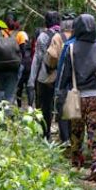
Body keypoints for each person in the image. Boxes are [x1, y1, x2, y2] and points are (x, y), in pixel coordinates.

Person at [58, 14, 96, 181]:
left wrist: (60, 95)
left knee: (76, 131)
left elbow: (64, 75)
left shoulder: (71, 48)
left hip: (77, 97)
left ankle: (76, 163)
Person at [28, 11, 61, 140]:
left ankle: (45, 135)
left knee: (45, 107)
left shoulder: (43, 36)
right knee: (60, 105)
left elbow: (38, 58)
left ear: (46, 22)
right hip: (61, 77)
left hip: (45, 77)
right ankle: (65, 136)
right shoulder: (64, 35)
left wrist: (32, 80)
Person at [0, 13, 29, 104]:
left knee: (0, 90)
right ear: (16, 22)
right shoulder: (20, 34)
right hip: (14, 67)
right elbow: (24, 50)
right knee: (10, 92)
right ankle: (7, 113)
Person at [45, 13, 76, 143]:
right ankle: (75, 138)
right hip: (78, 78)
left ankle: (65, 139)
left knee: (62, 107)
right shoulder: (79, 37)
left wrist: (50, 67)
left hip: (62, 76)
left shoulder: (58, 37)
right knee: (75, 107)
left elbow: (52, 57)